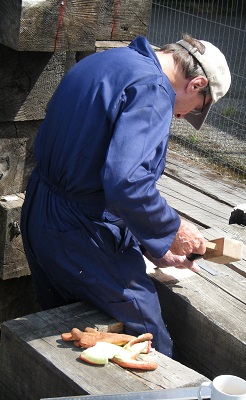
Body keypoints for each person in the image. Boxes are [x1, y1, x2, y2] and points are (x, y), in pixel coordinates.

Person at [20, 33, 231, 358]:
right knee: (149, 343)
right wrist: (172, 229)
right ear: (196, 84)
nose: (180, 117)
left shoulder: (106, 61)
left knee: (65, 336)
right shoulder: (152, 89)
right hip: (81, 234)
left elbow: (93, 166)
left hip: (38, 212)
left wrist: (153, 246)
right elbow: (127, 184)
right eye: (196, 110)